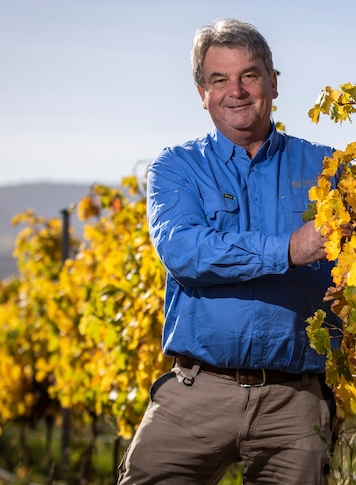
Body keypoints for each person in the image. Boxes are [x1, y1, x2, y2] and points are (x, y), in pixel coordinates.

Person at [117, 18, 341, 485]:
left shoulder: (329, 168)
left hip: (294, 402)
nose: (235, 90)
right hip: (196, 391)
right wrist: (288, 249)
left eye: (250, 75)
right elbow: (184, 251)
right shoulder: (176, 167)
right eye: (219, 79)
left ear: (274, 83)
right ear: (202, 91)